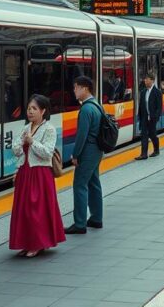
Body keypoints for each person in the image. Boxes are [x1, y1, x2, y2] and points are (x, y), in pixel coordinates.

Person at [9, 94, 67, 256]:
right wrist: (21, 143)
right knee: (24, 210)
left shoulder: (49, 129)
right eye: (28, 108)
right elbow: (16, 150)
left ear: (43, 111)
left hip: (40, 174)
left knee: (37, 210)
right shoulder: (25, 128)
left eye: (34, 108)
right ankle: (26, 242)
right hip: (24, 172)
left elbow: (47, 152)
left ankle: (38, 244)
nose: (30, 112)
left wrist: (32, 142)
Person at [67, 76, 104, 234]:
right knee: (94, 183)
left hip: (88, 151)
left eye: (76, 87)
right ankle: (96, 218)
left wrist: (75, 155)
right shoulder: (97, 105)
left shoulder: (86, 109)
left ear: (85, 88)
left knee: (80, 184)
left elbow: (81, 136)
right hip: (97, 150)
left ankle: (80, 223)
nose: (74, 91)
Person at [136, 73, 162, 160]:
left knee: (152, 134)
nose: (145, 81)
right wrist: (140, 116)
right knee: (144, 135)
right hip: (144, 117)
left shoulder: (157, 92)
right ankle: (144, 154)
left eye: (147, 79)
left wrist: (156, 117)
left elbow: (159, 106)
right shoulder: (143, 92)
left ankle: (156, 150)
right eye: (145, 79)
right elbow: (141, 105)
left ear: (152, 80)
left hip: (152, 118)